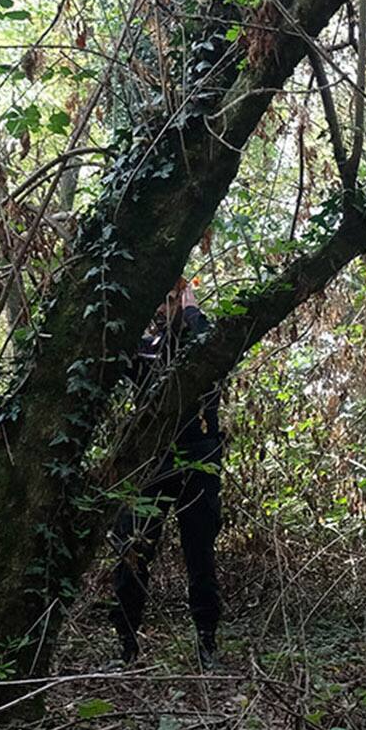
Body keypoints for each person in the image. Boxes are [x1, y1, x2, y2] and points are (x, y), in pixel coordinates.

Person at [110, 278, 227, 670]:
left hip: (199, 457)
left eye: (173, 299)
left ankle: (206, 640)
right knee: (132, 549)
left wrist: (191, 311)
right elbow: (117, 360)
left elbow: (218, 352)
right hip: (152, 461)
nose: (165, 307)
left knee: (200, 551)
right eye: (162, 300)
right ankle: (126, 644)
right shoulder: (146, 345)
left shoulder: (202, 336)